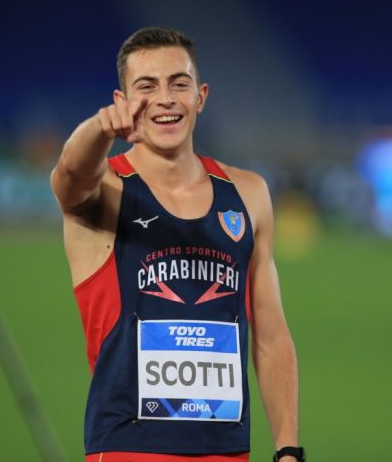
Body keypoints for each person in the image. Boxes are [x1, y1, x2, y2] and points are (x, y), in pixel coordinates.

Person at [50, 27, 304, 462]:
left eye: (179, 83)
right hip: (129, 447)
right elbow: (70, 174)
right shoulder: (106, 190)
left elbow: (271, 335)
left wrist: (287, 449)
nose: (165, 98)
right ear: (122, 102)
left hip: (226, 450)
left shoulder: (247, 194)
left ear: (200, 97)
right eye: (146, 87)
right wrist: (97, 128)